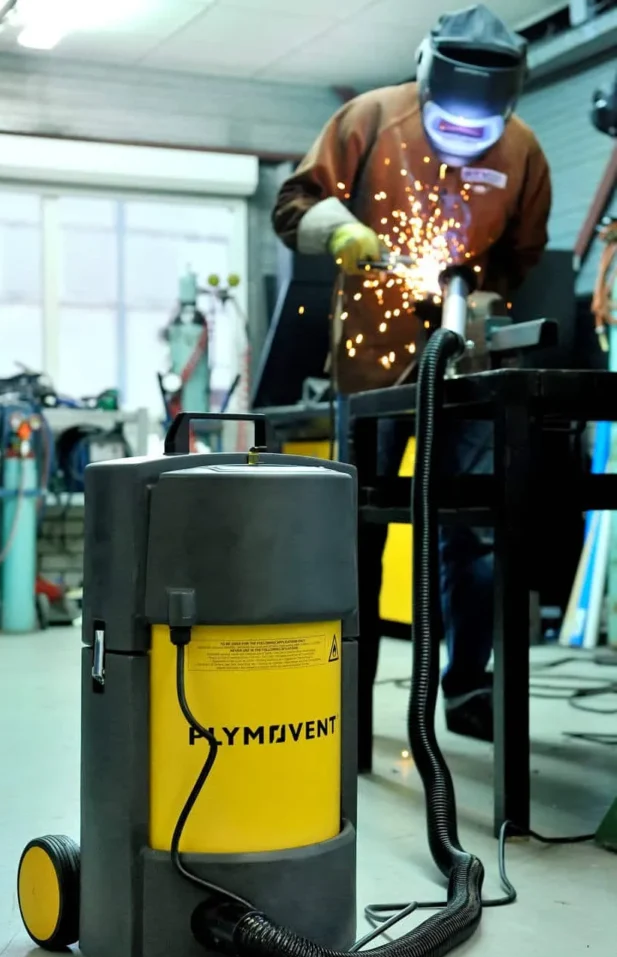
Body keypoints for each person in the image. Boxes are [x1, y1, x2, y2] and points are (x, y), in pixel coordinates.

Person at [272, 4, 551, 752]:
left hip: (465, 367)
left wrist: (486, 292)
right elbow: (290, 203)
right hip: (371, 374)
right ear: (428, 86)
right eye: (449, 123)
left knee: (475, 536)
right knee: (355, 532)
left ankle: (465, 689)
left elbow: (525, 249)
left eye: (479, 130)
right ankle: (347, 701)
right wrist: (342, 230)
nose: (464, 138)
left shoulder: (521, 149)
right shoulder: (369, 118)